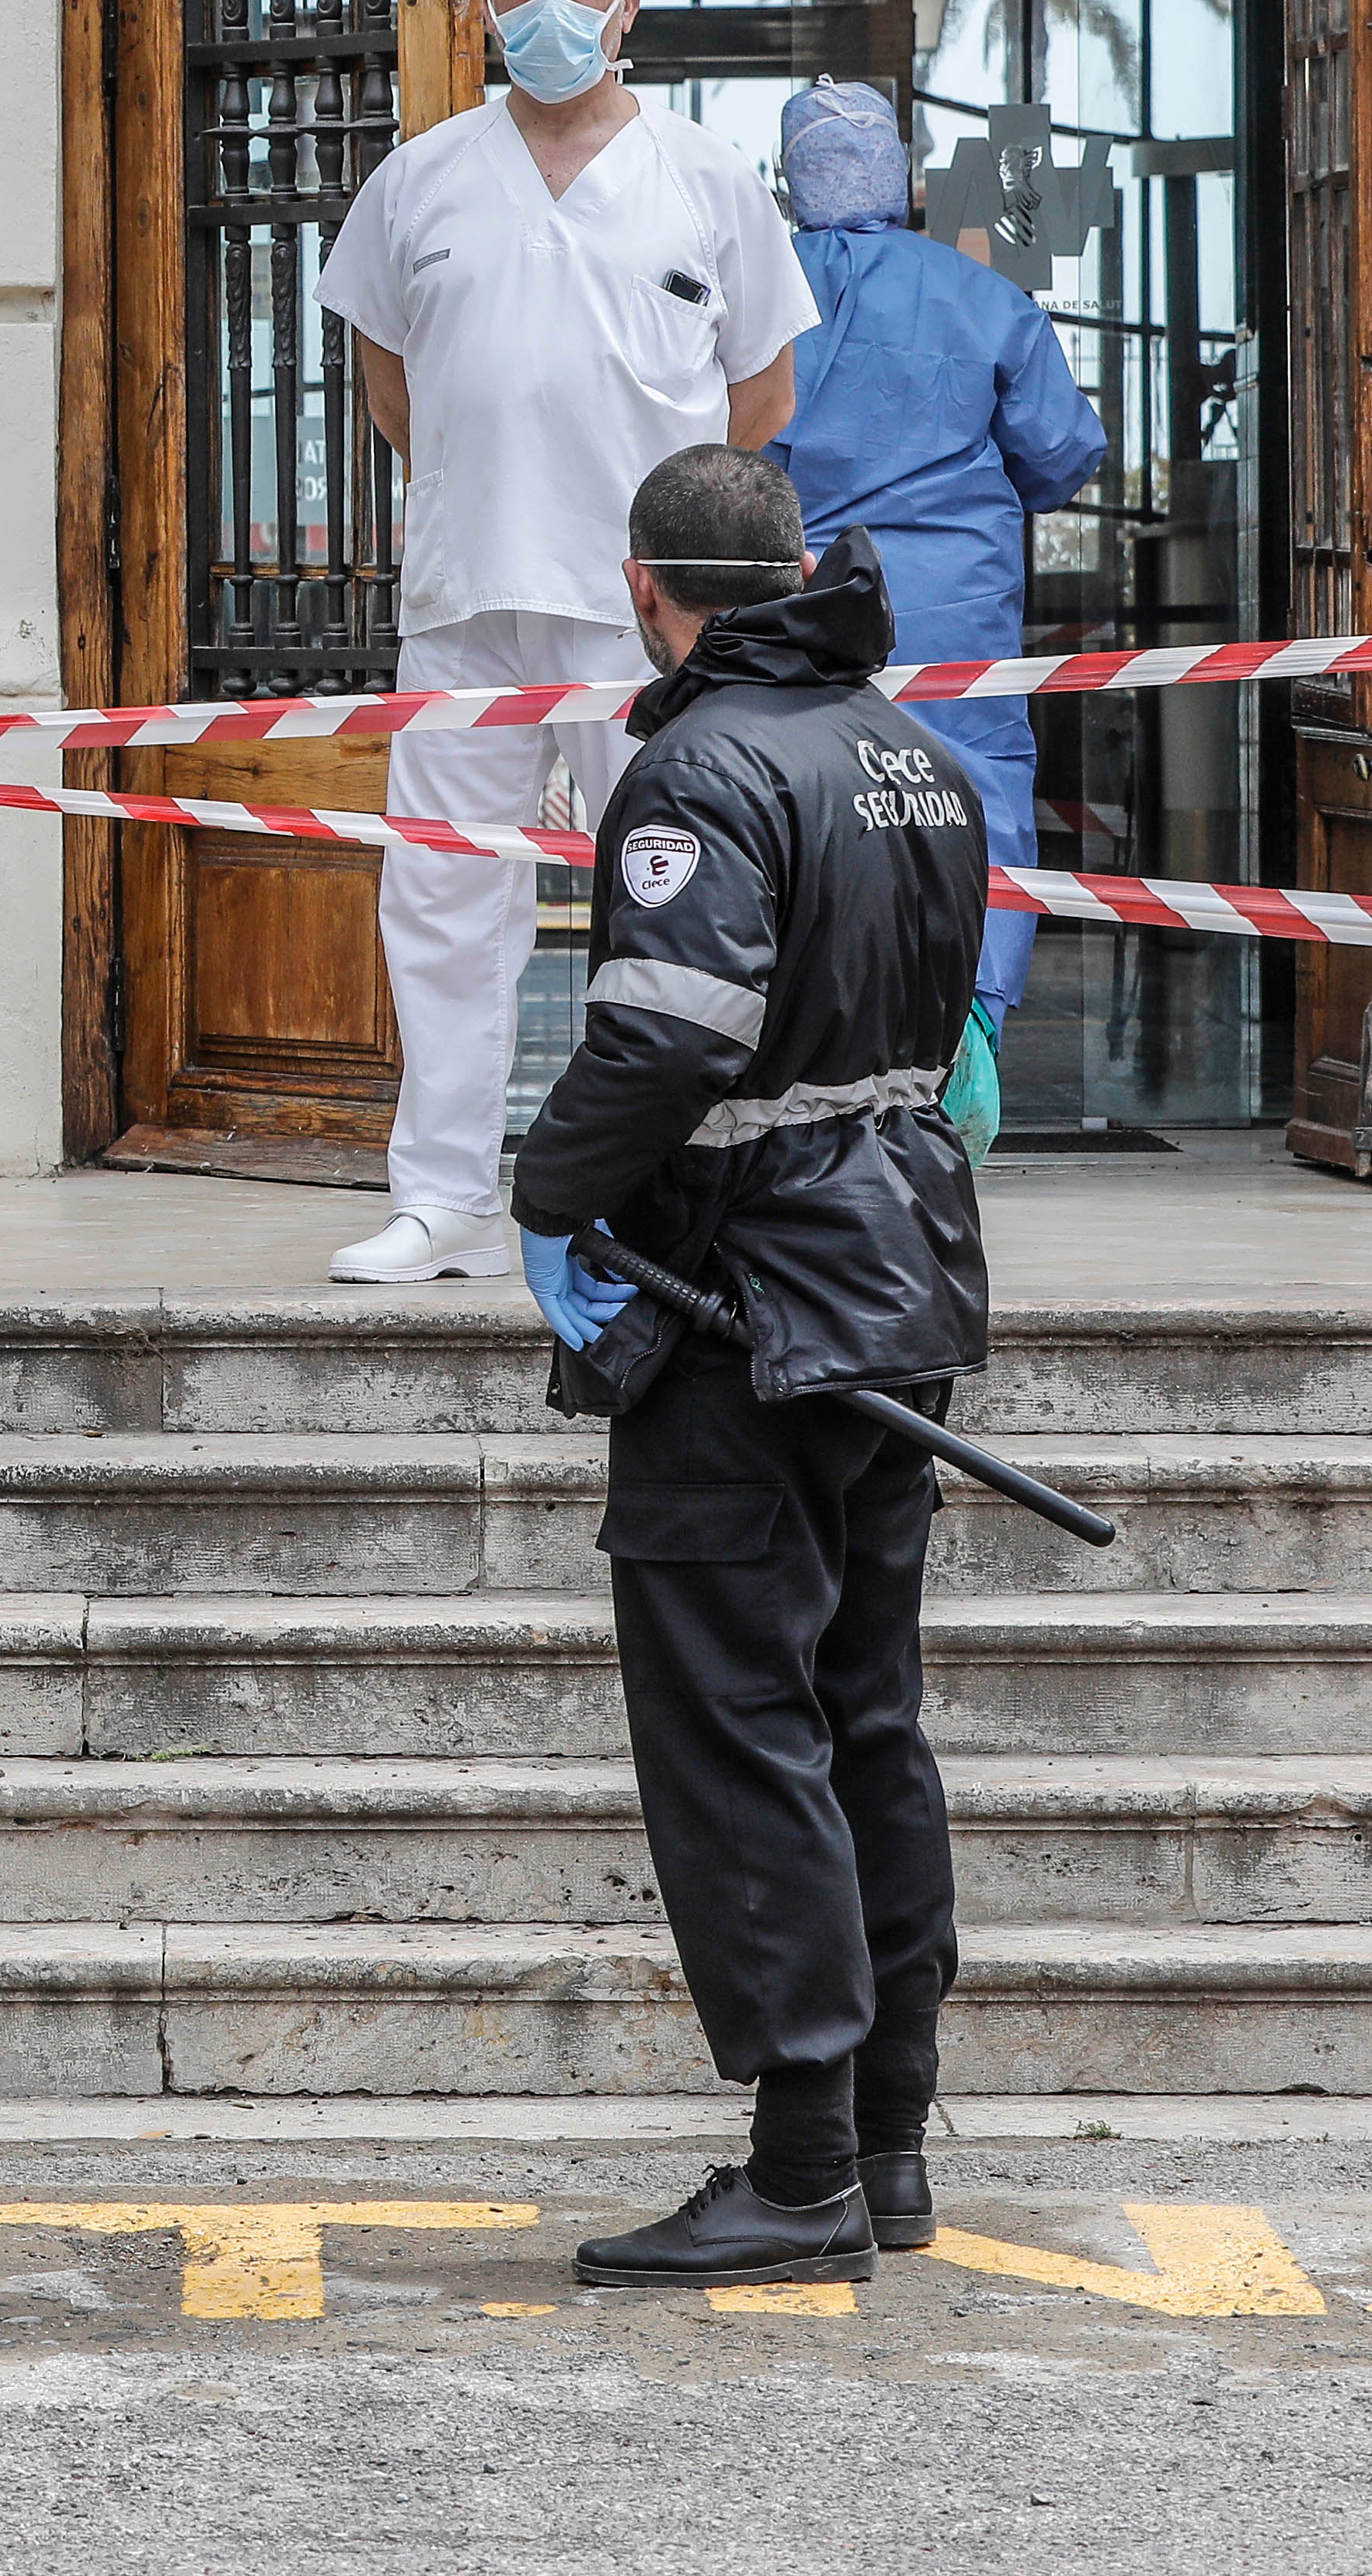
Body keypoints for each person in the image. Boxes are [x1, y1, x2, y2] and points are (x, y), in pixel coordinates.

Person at [511, 447, 991, 2288]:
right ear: (792, 567)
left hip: (750, 1302)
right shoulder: (905, 746)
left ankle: (796, 2168)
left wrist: (544, 1190)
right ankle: (880, 2148)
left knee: (736, 1728)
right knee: (862, 1712)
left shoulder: (698, 765)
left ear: (649, 587)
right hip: (889, 1277)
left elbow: (664, 1037)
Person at [315, 0, 822, 1283]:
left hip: (645, 615)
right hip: (468, 593)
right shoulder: (419, 177)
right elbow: (391, 380)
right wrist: (499, 478)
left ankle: (679, 1186)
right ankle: (444, 1197)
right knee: (441, 899)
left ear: (629, 2)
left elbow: (759, 397)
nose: (554, 3)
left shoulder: (710, 178)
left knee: (672, 898)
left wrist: (665, 551)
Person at [763, 78, 1111, 1161]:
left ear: (788, 186)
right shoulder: (982, 297)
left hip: (800, 601)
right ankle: (966, 1045)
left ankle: (814, 1069)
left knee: (799, 819)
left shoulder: (758, 301)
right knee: (978, 817)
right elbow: (1063, 454)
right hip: (951, 612)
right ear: (905, 179)